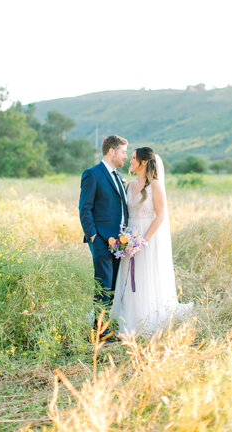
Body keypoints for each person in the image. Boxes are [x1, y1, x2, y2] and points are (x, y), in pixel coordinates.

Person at [110, 147, 193, 336]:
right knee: (130, 275)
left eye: (133, 158)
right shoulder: (129, 185)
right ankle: (127, 317)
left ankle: (147, 318)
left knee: (145, 274)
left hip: (148, 237)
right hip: (129, 235)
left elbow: (161, 214)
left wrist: (143, 241)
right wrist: (126, 239)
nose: (130, 161)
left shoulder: (155, 185)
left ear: (144, 162)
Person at [79, 134, 129, 333]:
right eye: (123, 152)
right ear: (111, 151)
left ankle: (106, 325)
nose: (126, 156)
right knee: (103, 287)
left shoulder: (118, 176)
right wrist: (93, 237)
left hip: (119, 242)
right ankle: (99, 331)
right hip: (101, 240)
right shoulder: (93, 174)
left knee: (113, 287)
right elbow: (85, 208)